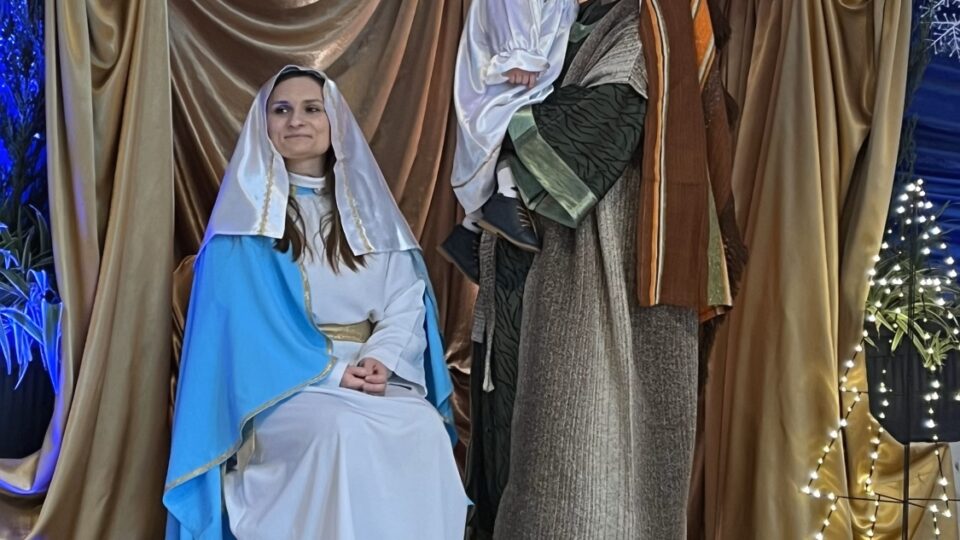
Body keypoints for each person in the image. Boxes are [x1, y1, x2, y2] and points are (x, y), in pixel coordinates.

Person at [464, 0, 745, 538]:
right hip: (530, 283)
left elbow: (586, 137)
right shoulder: (560, 18)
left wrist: (490, 121)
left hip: (595, 294)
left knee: (584, 479)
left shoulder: (648, 29)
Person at [163, 66, 470, 540]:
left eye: (312, 109)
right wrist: (329, 372)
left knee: (425, 430)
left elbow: (404, 298)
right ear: (263, 124)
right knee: (341, 432)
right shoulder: (240, 228)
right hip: (281, 389)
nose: (296, 121)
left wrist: (382, 358)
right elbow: (243, 336)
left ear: (334, 122)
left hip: (369, 375)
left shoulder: (369, 215)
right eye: (281, 110)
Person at [440, 0, 578, 283]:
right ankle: (505, 196)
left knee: (522, 119)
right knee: (515, 122)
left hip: (538, 61)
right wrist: (519, 53)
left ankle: (470, 230)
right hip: (510, 65)